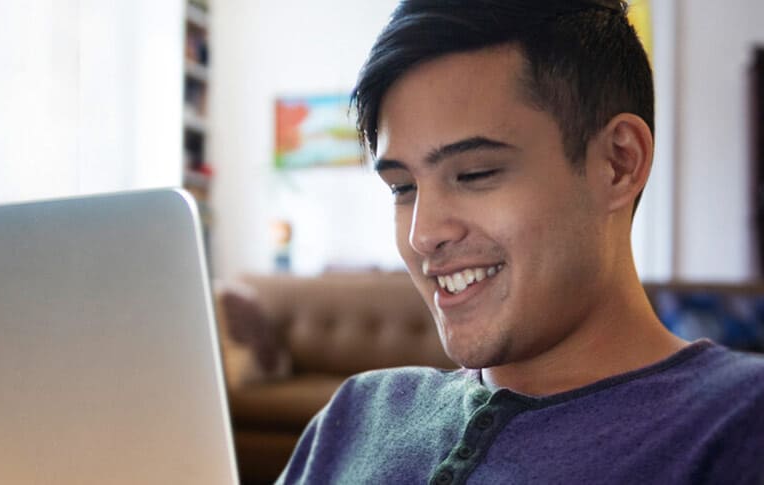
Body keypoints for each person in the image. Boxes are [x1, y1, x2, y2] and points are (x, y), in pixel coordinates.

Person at [276, 1, 764, 483]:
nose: (422, 235)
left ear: (618, 163)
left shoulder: (737, 422)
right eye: (403, 187)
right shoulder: (357, 414)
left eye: (475, 173)